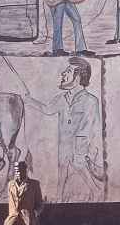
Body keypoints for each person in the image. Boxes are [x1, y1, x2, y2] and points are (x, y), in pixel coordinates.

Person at [23, 58, 103, 202]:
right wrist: (29, 101)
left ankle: (95, 191)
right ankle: (59, 197)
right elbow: (47, 109)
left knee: (80, 167)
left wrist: (82, 145)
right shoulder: (62, 98)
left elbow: (90, 124)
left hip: (79, 145)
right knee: (62, 170)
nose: (63, 74)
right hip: (64, 143)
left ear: (77, 77)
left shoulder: (91, 101)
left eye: (68, 71)